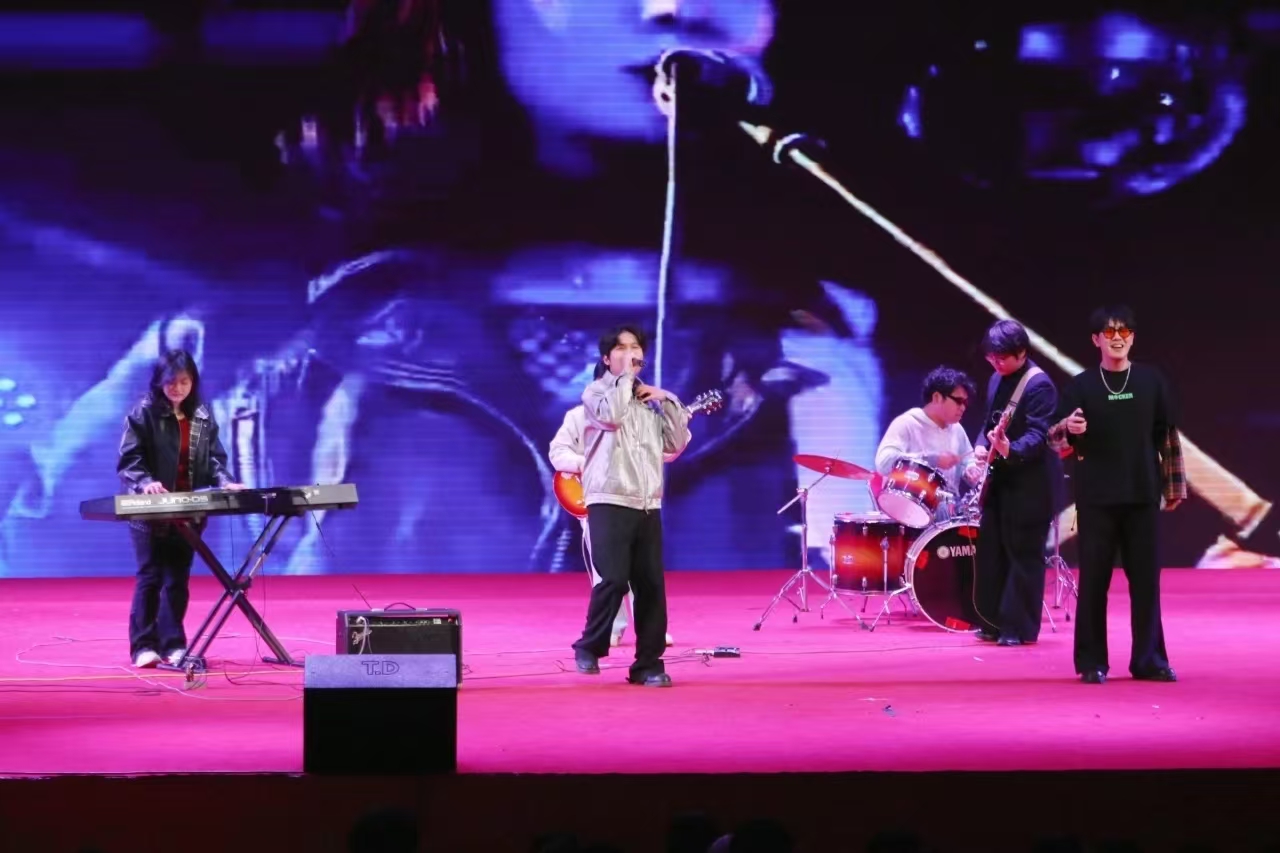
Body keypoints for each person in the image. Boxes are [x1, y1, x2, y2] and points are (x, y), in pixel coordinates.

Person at [1050, 306, 1183, 684]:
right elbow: (1055, 442)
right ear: (1096, 340)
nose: (1118, 338)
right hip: (1097, 499)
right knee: (1094, 583)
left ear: (1133, 337)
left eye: (1124, 331)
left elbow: (1167, 435)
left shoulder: (1151, 381)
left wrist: (1173, 486)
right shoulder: (1081, 386)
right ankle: (1092, 662)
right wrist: (1068, 427)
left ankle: (1149, 660)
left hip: (1142, 495)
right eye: (1109, 332)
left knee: (1146, 583)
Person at [571, 325, 691, 687]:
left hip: (647, 503)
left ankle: (648, 665)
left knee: (651, 585)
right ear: (607, 358)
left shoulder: (648, 402)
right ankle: (589, 645)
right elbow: (611, 417)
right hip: (609, 498)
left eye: (635, 347)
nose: (629, 353)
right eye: (621, 348)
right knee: (613, 578)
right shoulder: (596, 393)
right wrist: (624, 379)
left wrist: (667, 399)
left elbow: (675, 443)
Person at [116, 350, 243, 668]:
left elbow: (214, 458)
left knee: (177, 579)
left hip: (189, 509)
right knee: (151, 576)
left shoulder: (201, 415)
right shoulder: (143, 413)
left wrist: (225, 481)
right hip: (150, 510)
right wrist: (145, 481)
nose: (178, 388)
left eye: (185, 382)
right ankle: (143, 646)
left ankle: (174, 644)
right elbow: (130, 460)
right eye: (171, 382)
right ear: (159, 382)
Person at [549, 362, 677, 648]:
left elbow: (669, 452)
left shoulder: (643, 419)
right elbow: (558, 453)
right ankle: (610, 628)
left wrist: (674, 415)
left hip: (637, 502)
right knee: (607, 572)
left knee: (644, 572)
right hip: (598, 502)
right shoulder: (578, 416)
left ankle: (651, 630)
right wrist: (587, 464)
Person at [971, 320, 1060, 646]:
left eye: (1002, 358)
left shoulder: (1039, 386)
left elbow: (1039, 435)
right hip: (1002, 480)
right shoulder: (997, 378)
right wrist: (981, 445)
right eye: (991, 357)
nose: (995, 363)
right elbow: (989, 422)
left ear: (1022, 353)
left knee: (1023, 555)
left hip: (1031, 483)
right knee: (993, 550)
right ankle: (992, 622)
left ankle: (1018, 628)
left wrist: (1010, 449)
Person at [874, 365, 982, 522]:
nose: (963, 407)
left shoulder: (957, 429)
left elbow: (968, 460)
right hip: (908, 511)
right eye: (958, 401)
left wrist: (971, 469)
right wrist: (932, 459)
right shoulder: (907, 423)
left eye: (965, 403)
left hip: (948, 514)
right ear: (937, 397)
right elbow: (883, 462)